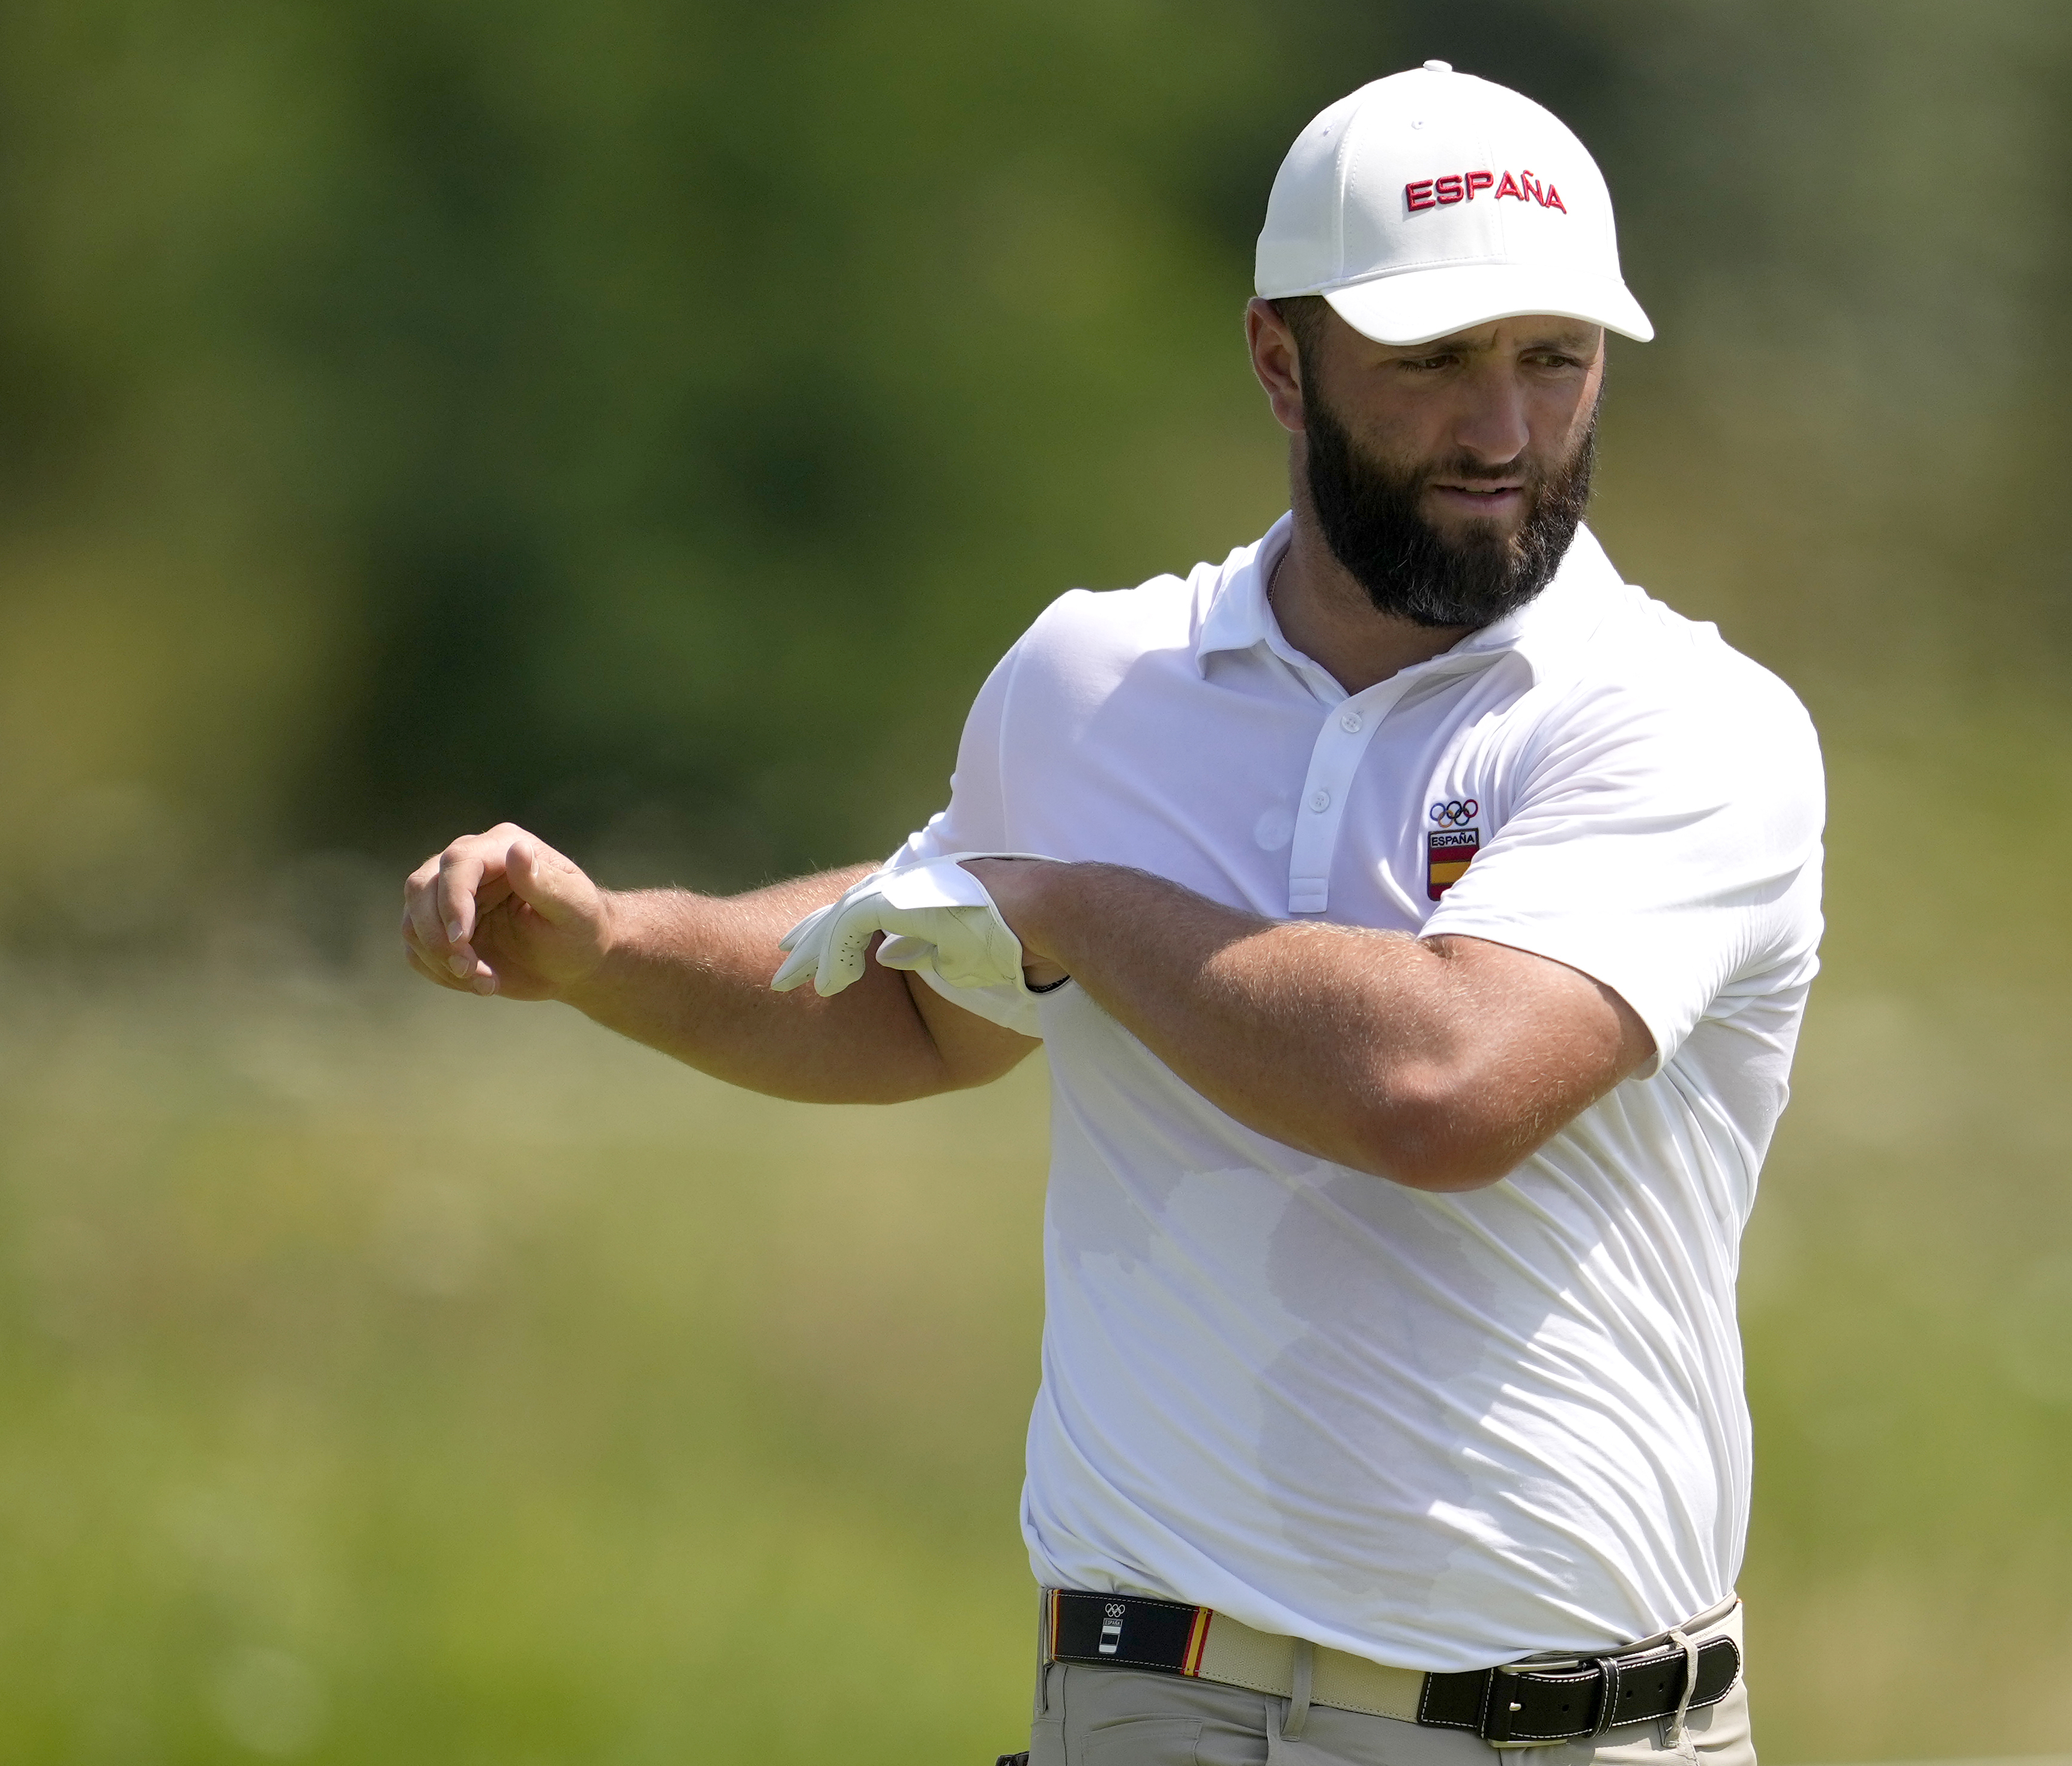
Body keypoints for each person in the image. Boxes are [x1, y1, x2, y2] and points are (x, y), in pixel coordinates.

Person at [401, 61, 1822, 1766]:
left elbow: (1442, 1090)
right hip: (1149, 1704)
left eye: (1554, 358)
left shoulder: (1680, 718)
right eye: (1435, 360)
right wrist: (611, 946)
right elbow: (922, 993)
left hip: (1566, 1731)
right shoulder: (1092, 681)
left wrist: (1072, 903)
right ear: (1281, 364)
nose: (1503, 432)